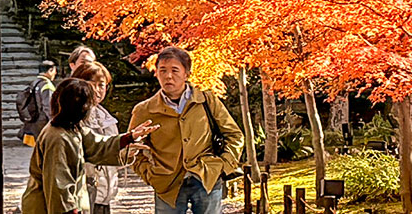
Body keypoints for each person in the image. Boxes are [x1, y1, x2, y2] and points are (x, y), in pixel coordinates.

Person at [127, 46, 246, 214]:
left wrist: (223, 165)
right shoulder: (144, 110)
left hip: (206, 177)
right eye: (163, 70)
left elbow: (234, 135)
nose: (168, 76)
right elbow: (131, 147)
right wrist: (148, 173)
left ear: (186, 73)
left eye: (175, 70)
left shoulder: (206, 99)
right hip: (166, 182)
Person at [21, 78, 159, 214]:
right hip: (49, 206)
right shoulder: (58, 138)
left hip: (72, 202)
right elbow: (58, 185)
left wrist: (129, 138)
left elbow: (97, 146)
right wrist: (70, 210)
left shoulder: (73, 128)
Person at [70, 62, 124, 214]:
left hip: (104, 194)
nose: (97, 90)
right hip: (82, 195)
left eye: (101, 85)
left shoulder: (107, 118)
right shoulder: (72, 117)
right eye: (91, 84)